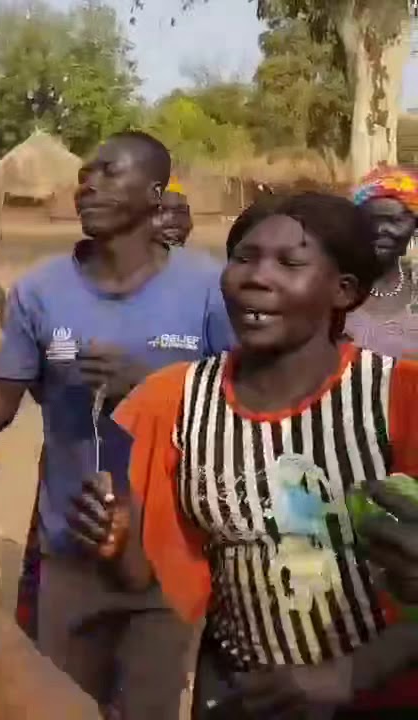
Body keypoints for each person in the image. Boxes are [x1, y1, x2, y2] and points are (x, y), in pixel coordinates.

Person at [88, 193, 418, 718]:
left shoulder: (398, 398)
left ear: (344, 290)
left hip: (389, 695)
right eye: (243, 257)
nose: (256, 278)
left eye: (290, 263)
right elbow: (147, 578)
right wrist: (119, 532)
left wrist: (350, 674)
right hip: (245, 695)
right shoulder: (171, 403)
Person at [0, 130, 233, 718]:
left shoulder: (207, 289)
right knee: (62, 709)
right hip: (70, 555)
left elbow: (240, 416)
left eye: (108, 172)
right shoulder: (38, 292)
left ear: (153, 193)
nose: (87, 183)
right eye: (84, 173)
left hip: (168, 559)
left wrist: (153, 389)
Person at [344, 166, 418, 358]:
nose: (381, 229)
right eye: (371, 220)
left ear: (414, 226)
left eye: (395, 221)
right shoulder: (334, 290)